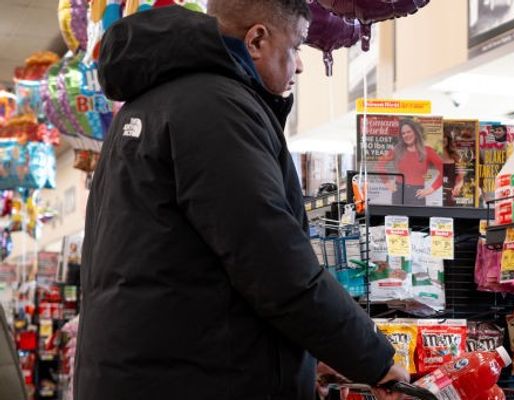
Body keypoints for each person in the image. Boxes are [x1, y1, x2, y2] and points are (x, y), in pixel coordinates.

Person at [77, 2, 407, 399]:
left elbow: (191, 268)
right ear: (257, 39)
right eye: (298, 45)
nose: (300, 65)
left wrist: (304, 354)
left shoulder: (152, 103)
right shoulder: (215, 109)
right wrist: (375, 360)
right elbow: (274, 265)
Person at [378, 118, 444, 205]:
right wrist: (387, 183)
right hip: (399, 193)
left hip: (417, 194)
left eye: (409, 132)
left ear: (415, 133)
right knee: (397, 218)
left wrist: (430, 190)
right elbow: (379, 165)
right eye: (403, 133)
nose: (406, 135)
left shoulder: (428, 151)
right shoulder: (396, 150)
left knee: (416, 218)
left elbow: (445, 171)